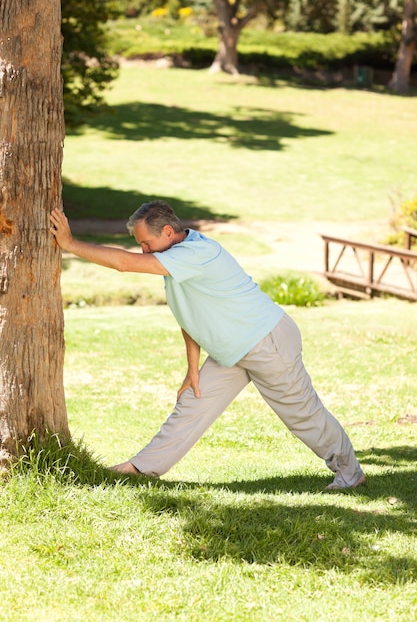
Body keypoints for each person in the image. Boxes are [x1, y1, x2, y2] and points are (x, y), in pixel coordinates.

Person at [50, 201, 365, 490]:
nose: (144, 251)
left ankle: (350, 473)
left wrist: (70, 244)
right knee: (193, 404)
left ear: (169, 232)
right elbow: (191, 315)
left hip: (265, 341)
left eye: (146, 243)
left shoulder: (196, 254)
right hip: (234, 350)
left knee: (302, 414)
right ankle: (140, 468)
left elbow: (123, 263)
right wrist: (192, 369)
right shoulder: (177, 256)